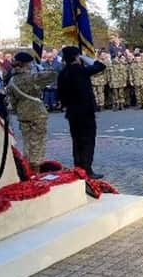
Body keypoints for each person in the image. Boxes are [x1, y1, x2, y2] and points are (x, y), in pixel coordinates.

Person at [57, 47, 106, 179]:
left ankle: (78, 167)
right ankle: (87, 169)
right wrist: (85, 58)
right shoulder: (80, 71)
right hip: (85, 113)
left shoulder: (63, 73)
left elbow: (60, 95)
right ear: (76, 57)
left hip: (72, 113)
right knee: (87, 141)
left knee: (77, 141)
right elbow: (100, 66)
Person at [6, 52, 57, 172]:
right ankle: (36, 169)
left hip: (23, 114)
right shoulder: (33, 77)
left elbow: (12, 101)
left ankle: (27, 166)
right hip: (37, 113)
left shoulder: (12, 80)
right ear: (27, 64)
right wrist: (41, 68)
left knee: (27, 141)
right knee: (38, 141)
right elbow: (53, 75)